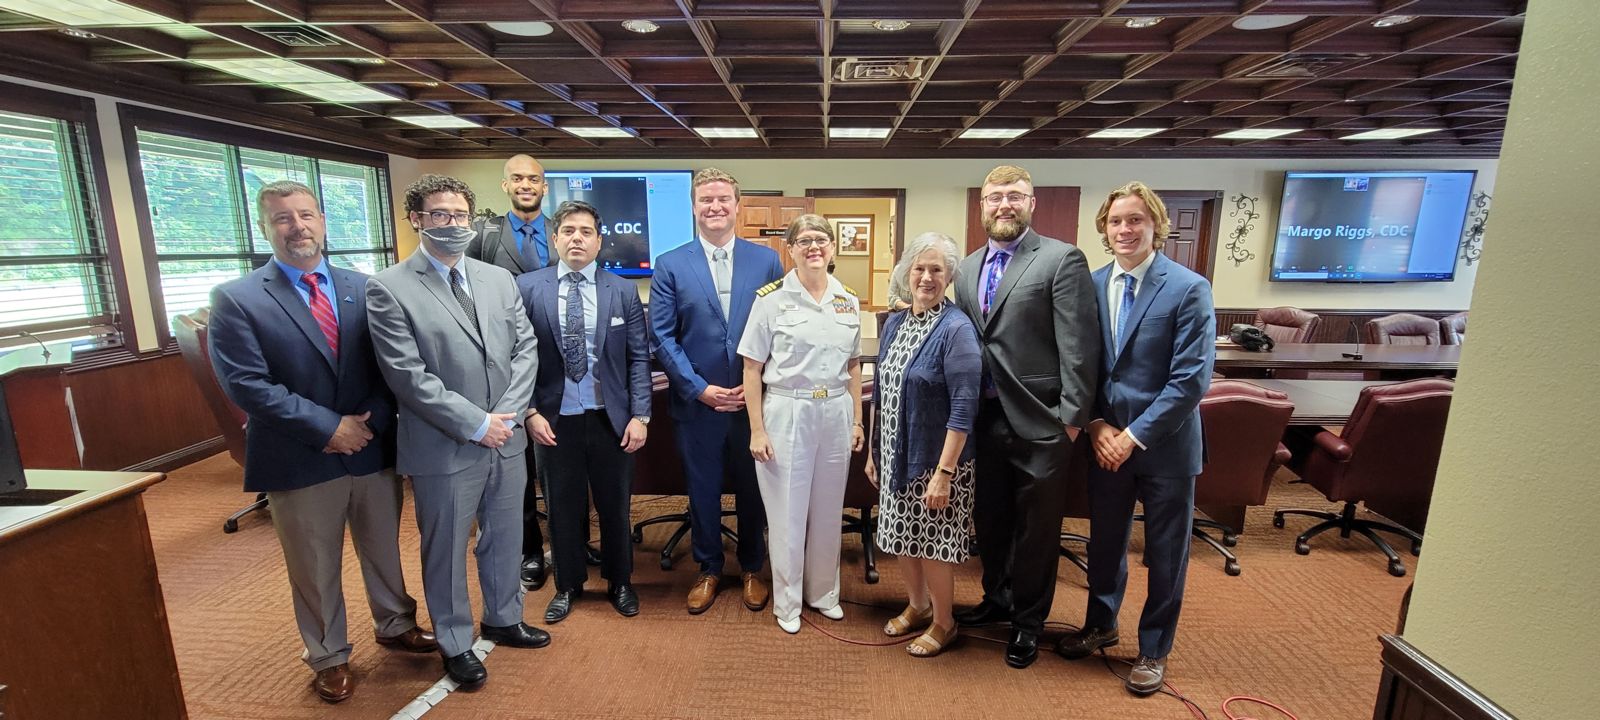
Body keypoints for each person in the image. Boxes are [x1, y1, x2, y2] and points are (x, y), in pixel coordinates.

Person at [208, 181, 436, 703]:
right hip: (299, 453)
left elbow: (392, 367)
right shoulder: (237, 299)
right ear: (265, 228)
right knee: (313, 564)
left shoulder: (365, 287)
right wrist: (330, 428)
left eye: (306, 215)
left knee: (383, 547)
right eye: (283, 219)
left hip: (371, 446)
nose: (298, 227)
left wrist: (370, 421)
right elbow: (247, 384)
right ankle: (329, 654)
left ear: (324, 222)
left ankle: (395, 623)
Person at [365, 174, 549, 690]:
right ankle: (454, 640)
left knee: (507, 533)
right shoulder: (388, 287)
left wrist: (505, 419)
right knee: (445, 549)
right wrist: (476, 424)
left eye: (460, 216)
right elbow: (407, 376)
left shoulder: (498, 280)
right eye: (440, 215)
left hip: (506, 438)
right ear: (417, 220)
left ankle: (504, 616)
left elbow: (525, 349)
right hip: (444, 444)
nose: (452, 224)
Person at [1055, 182, 1214, 696]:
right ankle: (1101, 625)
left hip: (1166, 448)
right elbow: (1084, 366)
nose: (1125, 229)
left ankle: (1153, 649)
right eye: (1116, 221)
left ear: (1156, 227)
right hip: (1105, 445)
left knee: (1166, 555)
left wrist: (1133, 436)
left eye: (1136, 220)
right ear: (1104, 228)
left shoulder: (1188, 288)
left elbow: (1190, 380)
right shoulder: (1093, 283)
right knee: (1105, 545)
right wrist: (1099, 425)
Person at [952, 164, 1099, 669]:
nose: (1004, 205)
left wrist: (1072, 422)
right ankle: (996, 598)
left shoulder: (1060, 259)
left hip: (1043, 422)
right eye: (995, 197)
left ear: (1031, 203)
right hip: (985, 418)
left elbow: (1079, 347)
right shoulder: (966, 267)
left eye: (1015, 196)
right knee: (990, 521)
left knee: (1037, 531)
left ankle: (1028, 623)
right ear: (982, 207)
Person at [649, 168, 784, 615]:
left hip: (753, 404)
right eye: (706, 199)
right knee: (701, 490)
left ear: (737, 205)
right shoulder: (671, 263)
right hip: (698, 402)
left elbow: (780, 328)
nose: (715, 207)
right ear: (693, 206)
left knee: (753, 488)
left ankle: (751, 568)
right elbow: (663, 337)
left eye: (723, 199)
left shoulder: (765, 260)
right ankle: (707, 569)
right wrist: (699, 388)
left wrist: (761, 386)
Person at [516, 200, 652, 624]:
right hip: (553, 421)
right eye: (569, 230)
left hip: (610, 419)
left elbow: (638, 359)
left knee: (615, 505)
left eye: (586, 231)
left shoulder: (622, 290)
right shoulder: (526, 288)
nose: (577, 238)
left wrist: (640, 415)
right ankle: (568, 585)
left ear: (599, 241)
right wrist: (529, 411)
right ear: (554, 238)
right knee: (562, 506)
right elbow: (516, 358)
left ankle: (620, 581)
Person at [738, 214, 866, 634]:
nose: (815, 247)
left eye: (822, 240)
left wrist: (857, 421)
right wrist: (757, 429)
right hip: (787, 411)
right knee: (787, 513)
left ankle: (823, 593)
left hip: (835, 410)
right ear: (789, 249)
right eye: (805, 240)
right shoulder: (771, 299)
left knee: (829, 510)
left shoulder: (847, 299)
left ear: (833, 248)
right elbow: (752, 368)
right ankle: (788, 603)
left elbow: (853, 366)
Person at [866, 232, 982, 658]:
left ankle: (944, 622)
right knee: (901, 537)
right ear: (907, 272)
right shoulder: (895, 321)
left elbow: (965, 407)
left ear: (950, 276)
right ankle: (916, 607)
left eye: (937, 269)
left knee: (933, 546)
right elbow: (881, 391)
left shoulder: (956, 329)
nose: (927, 277)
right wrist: (873, 452)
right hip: (896, 457)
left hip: (938, 464)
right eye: (920, 268)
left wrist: (944, 474)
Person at [468, 153, 554, 589]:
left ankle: (572, 541)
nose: (526, 184)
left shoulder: (563, 234)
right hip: (506, 365)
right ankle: (530, 551)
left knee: (561, 462)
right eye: (518, 178)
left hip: (559, 365)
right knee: (515, 464)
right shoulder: (484, 238)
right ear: (505, 186)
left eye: (534, 179)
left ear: (545, 186)